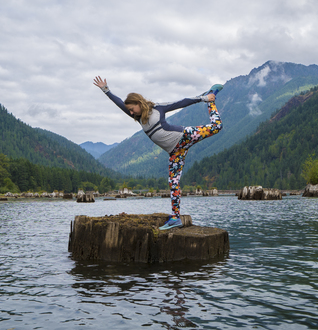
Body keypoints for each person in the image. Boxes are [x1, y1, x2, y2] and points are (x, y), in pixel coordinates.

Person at [93, 76, 223, 230]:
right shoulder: (138, 117)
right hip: (175, 152)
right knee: (173, 183)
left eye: (132, 108)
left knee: (217, 127)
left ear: (139, 103)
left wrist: (204, 98)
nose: (130, 112)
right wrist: (106, 90)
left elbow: (182, 102)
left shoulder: (158, 109)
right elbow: (120, 103)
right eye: (129, 110)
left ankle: (211, 100)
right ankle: (176, 218)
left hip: (184, 136)